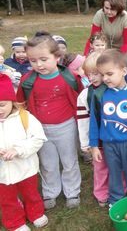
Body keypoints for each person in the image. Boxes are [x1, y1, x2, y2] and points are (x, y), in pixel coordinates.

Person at [16, 31, 84, 210]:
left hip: (66, 126)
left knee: (69, 161)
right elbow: (20, 104)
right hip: (41, 129)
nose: (38, 64)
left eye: (43, 59)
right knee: (47, 163)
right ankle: (50, 192)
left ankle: (72, 191)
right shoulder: (27, 81)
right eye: (33, 60)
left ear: (57, 57)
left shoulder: (70, 77)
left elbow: (82, 97)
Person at [89, 49, 127, 207]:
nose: (105, 78)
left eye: (109, 73)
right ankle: (115, 198)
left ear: (124, 71)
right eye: (102, 74)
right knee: (114, 173)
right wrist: (94, 146)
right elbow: (94, 122)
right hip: (109, 145)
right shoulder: (99, 95)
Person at [0, 74, 48, 231]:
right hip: (3, 174)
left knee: (30, 193)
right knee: (7, 199)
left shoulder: (24, 117)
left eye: (2, 105)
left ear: (12, 102)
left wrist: (18, 150)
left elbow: (38, 138)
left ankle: (35, 213)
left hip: (26, 168)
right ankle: (15, 222)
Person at [76, 52, 110, 206]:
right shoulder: (85, 94)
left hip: (115, 138)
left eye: (96, 74)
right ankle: (101, 193)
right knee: (101, 167)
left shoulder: (114, 90)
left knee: (118, 166)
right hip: (97, 141)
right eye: (89, 74)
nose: (91, 78)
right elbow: (83, 121)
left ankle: (120, 190)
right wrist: (85, 142)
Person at [83, 0, 127, 83]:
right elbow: (93, 38)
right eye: (106, 8)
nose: (109, 11)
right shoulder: (99, 15)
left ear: (119, 8)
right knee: (108, 76)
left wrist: (116, 58)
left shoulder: (126, 18)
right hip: (109, 48)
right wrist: (85, 56)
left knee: (125, 78)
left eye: (112, 9)